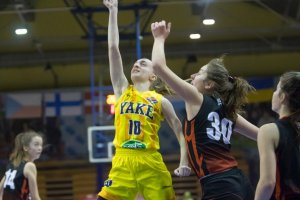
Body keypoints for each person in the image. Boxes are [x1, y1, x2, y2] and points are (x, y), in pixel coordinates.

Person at [151, 20, 258, 200]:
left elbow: (158, 67)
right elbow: (261, 134)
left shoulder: (196, 98)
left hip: (220, 184)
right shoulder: (228, 111)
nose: (193, 75)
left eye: (199, 72)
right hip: (237, 181)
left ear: (209, 84)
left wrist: (159, 38)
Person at [98, 1, 191, 200]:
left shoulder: (160, 101)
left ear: (153, 76)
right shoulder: (122, 90)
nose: (136, 65)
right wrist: (113, 11)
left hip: (151, 162)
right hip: (122, 160)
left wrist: (184, 162)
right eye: (135, 63)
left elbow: (181, 132)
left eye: (143, 63)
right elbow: (113, 48)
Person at [255, 71, 300, 200]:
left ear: (282, 97)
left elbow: (267, 183)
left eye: (276, 89)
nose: (273, 93)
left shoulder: (269, 131)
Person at [0, 131, 43, 200]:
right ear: (25, 147)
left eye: (41, 145)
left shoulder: (12, 165)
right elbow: (35, 197)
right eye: (36, 144)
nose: (40, 148)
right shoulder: (30, 166)